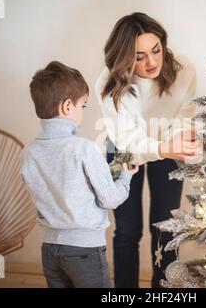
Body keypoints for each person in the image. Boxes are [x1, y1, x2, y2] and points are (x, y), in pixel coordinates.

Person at [95, 12, 202, 288]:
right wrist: (163, 148)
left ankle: (163, 290)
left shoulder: (184, 69)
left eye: (156, 50)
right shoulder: (107, 83)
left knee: (166, 227)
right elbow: (126, 140)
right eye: (139, 56)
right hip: (122, 147)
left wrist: (174, 144)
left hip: (169, 145)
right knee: (127, 230)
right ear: (124, 58)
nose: (152, 61)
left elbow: (184, 117)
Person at [21, 61, 139, 288]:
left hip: (49, 249)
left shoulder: (29, 152)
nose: (82, 111)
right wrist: (126, 176)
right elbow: (110, 199)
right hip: (85, 251)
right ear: (67, 107)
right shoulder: (84, 148)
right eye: (82, 106)